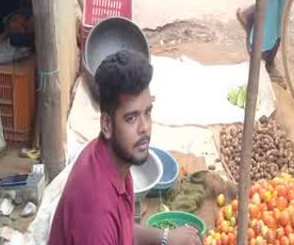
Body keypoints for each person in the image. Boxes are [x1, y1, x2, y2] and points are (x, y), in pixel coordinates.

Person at [48, 50, 201, 245]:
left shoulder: (112, 159)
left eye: (147, 112)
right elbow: (106, 227)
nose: (144, 127)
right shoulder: (96, 214)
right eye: (131, 118)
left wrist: (166, 237)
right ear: (106, 124)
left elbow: (122, 228)